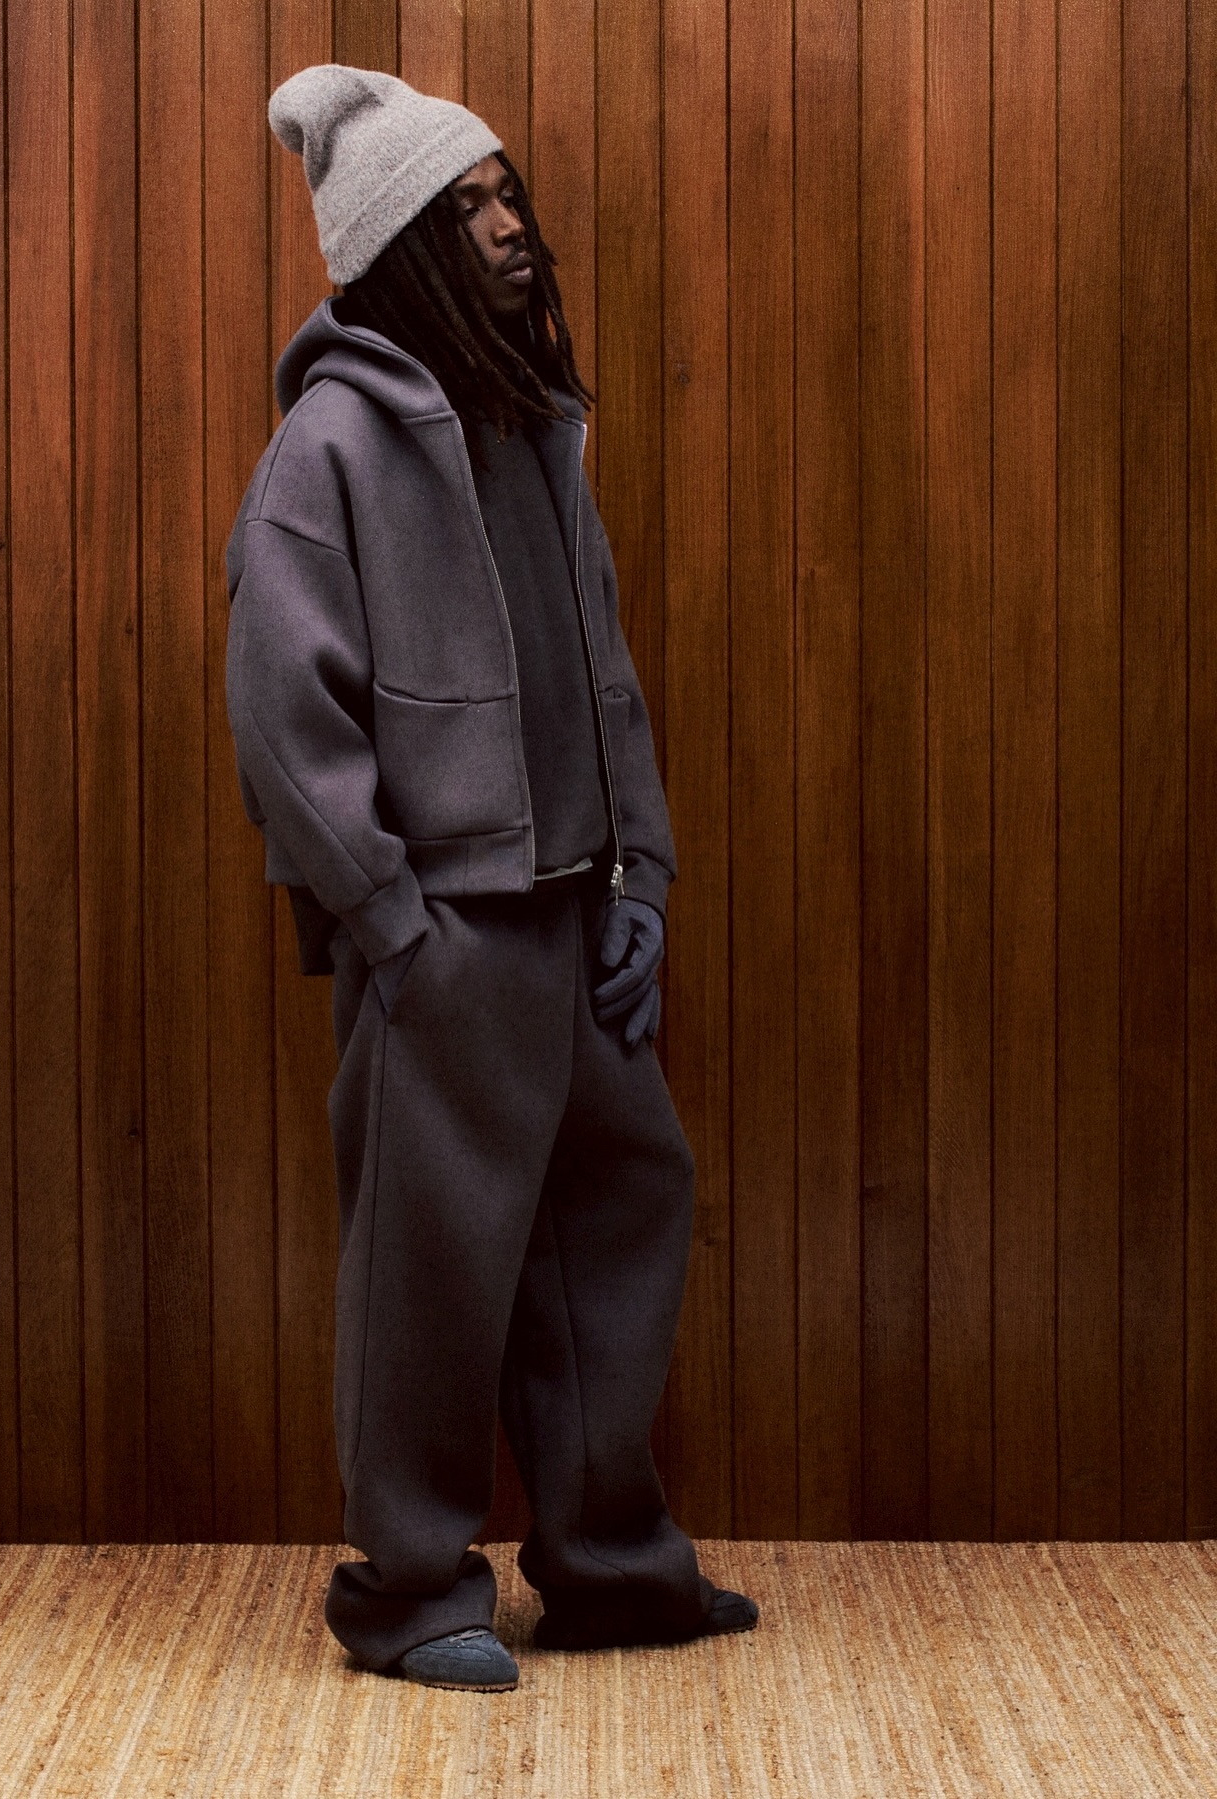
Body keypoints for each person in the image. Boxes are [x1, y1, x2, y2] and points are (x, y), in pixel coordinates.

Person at [226, 63, 758, 1693]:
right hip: (445, 937)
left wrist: (642, 877)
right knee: (431, 1270)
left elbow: (605, 678)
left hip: (580, 915)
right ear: (401, 250)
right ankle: (407, 1592)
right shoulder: (328, 449)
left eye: (508, 193)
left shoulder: (537, 427)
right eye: (468, 211)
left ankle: (608, 1566)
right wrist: (393, 924)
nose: (512, 227)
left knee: (619, 1230)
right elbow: (282, 715)